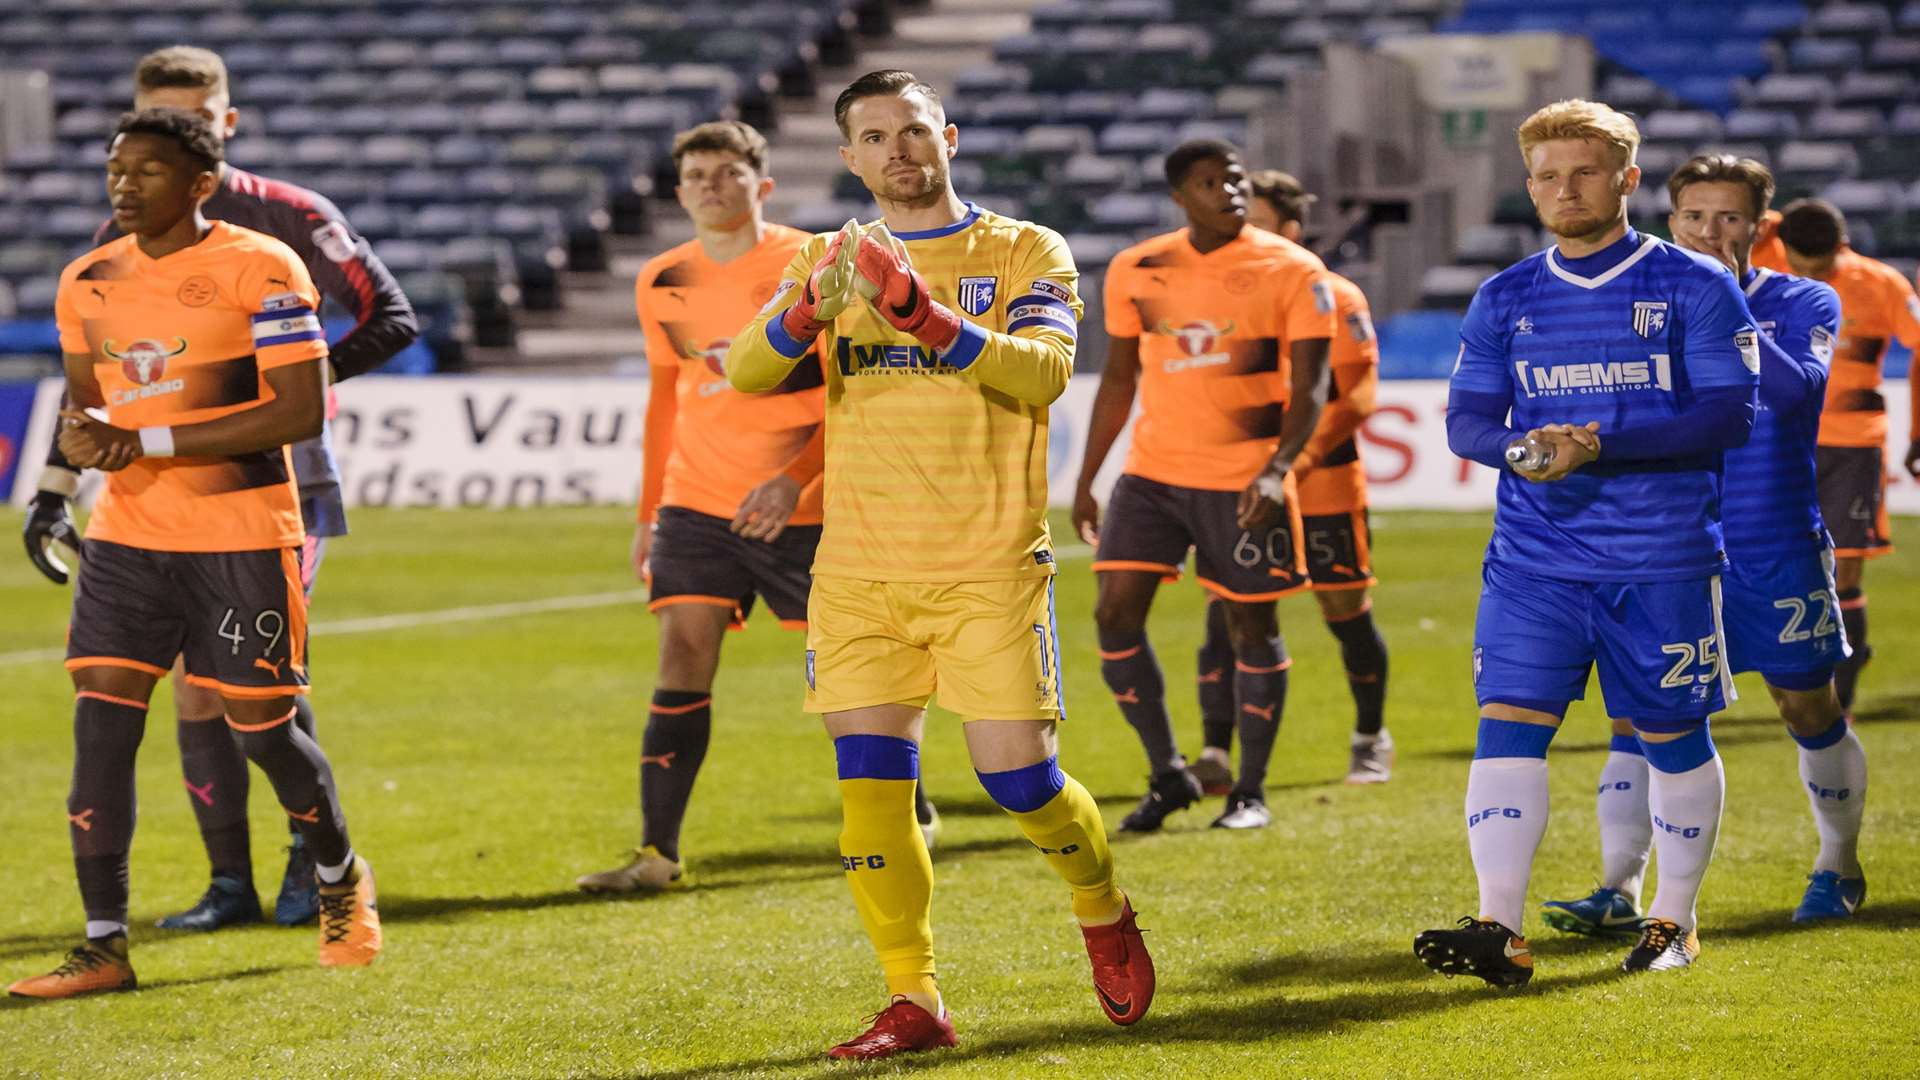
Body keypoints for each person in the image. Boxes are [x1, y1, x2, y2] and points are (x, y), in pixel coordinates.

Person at [725, 69, 1152, 1060]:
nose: (897, 151)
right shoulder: (828, 260)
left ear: (948, 138)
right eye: (873, 138)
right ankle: (913, 998)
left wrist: (920, 313)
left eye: (913, 131)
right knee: (868, 786)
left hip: (988, 564)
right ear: (849, 158)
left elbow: (1043, 371)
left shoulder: (1022, 249)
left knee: (1020, 784)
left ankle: (1101, 906)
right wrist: (805, 313)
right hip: (862, 570)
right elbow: (745, 371)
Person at [20, 46, 418, 932]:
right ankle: (228, 882)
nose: (185, 128)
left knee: (250, 691)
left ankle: (308, 868)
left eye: (200, 114)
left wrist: (284, 383)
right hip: (149, 490)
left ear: (226, 122)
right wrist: (56, 485)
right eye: (162, 115)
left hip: (276, 478)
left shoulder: (288, 220)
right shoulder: (109, 251)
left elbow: (392, 317)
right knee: (187, 691)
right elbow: (96, 389)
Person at [1412, 99, 1760, 985]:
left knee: (1672, 735)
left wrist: (1600, 444)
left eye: (1585, 172)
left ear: (1628, 180)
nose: (1565, 190)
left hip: (1664, 557)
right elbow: (1465, 421)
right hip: (1535, 562)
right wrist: (1525, 452)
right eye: (1547, 176)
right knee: (1508, 728)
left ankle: (1672, 921)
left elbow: (1731, 412)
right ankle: (1500, 926)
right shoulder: (1506, 296)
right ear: (1530, 187)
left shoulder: (1694, 285)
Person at [576, 120, 937, 893]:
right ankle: (657, 854)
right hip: (697, 504)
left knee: (850, 671)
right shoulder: (661, 279)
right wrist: (649, 511)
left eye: (727, 172)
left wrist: (796, 479)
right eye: (696, 175)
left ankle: (913, 808)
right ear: (678, 193)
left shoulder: (815, 262)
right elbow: (665, 400)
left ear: (761, 184)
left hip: (809, 503)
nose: (710, 185)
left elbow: (859, 391)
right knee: (682, 655)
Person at [1542, 154, 1863, 935]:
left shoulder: (1802, 299)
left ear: (1760, 226)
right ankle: (1618, 888)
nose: (1710, 233)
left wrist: (1724, 303)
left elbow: (1793, 396)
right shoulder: (1639, 302)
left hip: (1771, 536)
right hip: (1667, 544)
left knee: (1805, 704)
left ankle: (1838, 864)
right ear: (1669, 218)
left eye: (1728, 219)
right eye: (1693, 218)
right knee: (1641, 718)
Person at [1072, 141, 1334, 833]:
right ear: (1179, 198)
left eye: (1237, 179)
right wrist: (1087, 479)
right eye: (1210, 183)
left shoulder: (1294, 269)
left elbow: (1312, 388)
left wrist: (1277, 472)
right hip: (1153, 475)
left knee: (1253, 626)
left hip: (1244, 479)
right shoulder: (1136, 268)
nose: (1230, 193)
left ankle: (1249, 791)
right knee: (1113, 614)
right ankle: (1167, 774)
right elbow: (1120, 380)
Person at [1199, 168, 1391, 786]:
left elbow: (1354, 400)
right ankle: (1215, 756)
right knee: (1227, 614)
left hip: (1323, 481)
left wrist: (1288, 466)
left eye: (1253, 219)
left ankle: (1369, 736)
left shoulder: (1338, 296)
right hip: (1237, 482)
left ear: (1290, 229)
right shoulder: (1216, 298)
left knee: (1345, 612)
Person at [1766, 199, 1920, 722]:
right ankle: (1785, 675)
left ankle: (1842, 696)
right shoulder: (1768, 258)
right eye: (1798, 264)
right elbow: (1733, 214)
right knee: (1770, 564)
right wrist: (1771, 220)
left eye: (1819, 266)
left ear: (1841, 246)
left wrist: (1917, 431)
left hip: (1853, 444)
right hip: (1779, 440)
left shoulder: (1882, 284)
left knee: (1844, 569)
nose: (1807, 276)